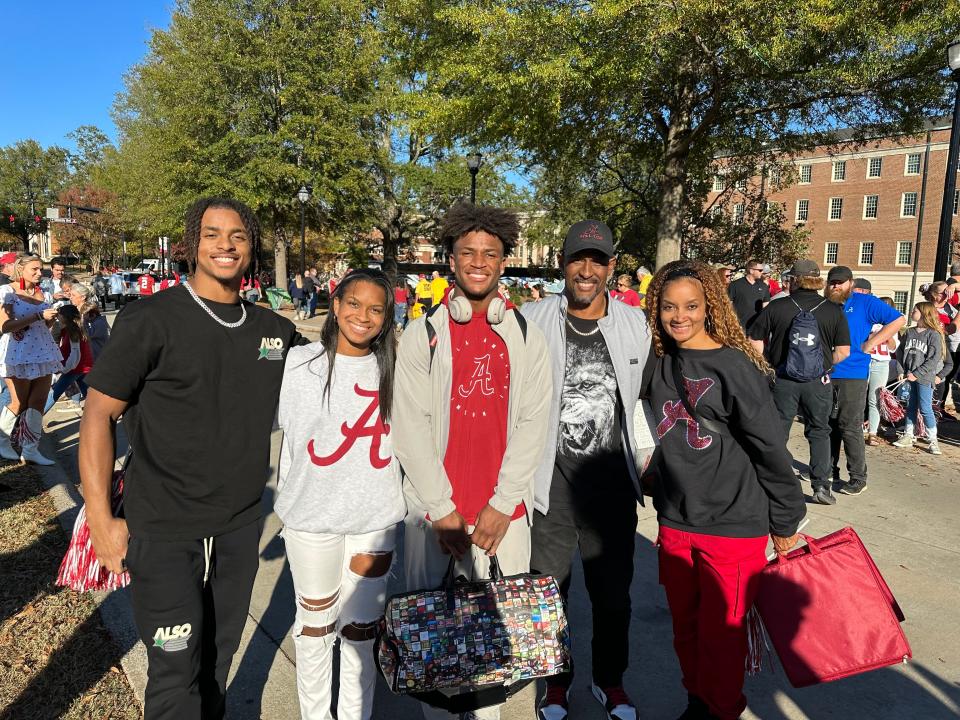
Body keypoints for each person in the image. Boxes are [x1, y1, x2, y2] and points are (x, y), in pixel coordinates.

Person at [79, 197, 304, 719]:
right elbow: (96, 415)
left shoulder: (273, 331)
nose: (225, 244)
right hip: (162, 524)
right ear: (191, 244)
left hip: (240, 523)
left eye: (238, 236)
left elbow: (337, 377)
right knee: (175, 669)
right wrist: (100, 519)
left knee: (218, 662)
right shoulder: (149, 320)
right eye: (212, 234)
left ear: (251, 249)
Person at [392, 203, 552, 720]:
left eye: (490, 253)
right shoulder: (423, 334)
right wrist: (441, 508)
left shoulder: (527, 335)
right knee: (434, 655)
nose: (479, 261)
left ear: (504, 261)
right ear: (452, 260)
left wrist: (503, 504)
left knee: (491, 661)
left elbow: (533, 423)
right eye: (468, 252)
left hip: (503, 519)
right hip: (434, 517)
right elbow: (409, 426)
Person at [647, 260, 805, 720]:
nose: (680, 316)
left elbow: (769, 449)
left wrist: (785, 518)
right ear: (656, 310)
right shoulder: (659, 362)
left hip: (734, 525)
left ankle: (721, 710)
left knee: (722, 635)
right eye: (670, 307)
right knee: (686, 631)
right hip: (676, 520)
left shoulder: (733, 365)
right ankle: (697, 703)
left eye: (691, 306)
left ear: (709, 307)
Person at [521, 219, 651, 720]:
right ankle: (555, 685)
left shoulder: (635, 325)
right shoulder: (530, 317)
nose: (587, 269)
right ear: (563, 262)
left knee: (612, 596)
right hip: (549, 482)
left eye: (598, 260)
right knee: (547, 594)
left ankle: (610, 681)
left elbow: (658, 395)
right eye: (579, 258)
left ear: (612, 267)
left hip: (611, 484)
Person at [276, 269, 403, 720]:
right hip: (309, 521)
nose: (362, 316)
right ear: (335, 303)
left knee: (361, 634)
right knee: (314, 629)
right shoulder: (295, 366)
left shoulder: (400, 370)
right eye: (353, 304)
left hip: (375, 523)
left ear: (387, 318)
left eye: (375, 309)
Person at [748, 260, 851, 505]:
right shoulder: (833, 309)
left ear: (794, 279)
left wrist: (768, 364)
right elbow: (844, 351)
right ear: (817, 281)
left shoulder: (777, 306)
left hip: (783, 379)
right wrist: (825, 364)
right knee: (819, 431)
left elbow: (754, 340)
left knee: (777, 431)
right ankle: (821, 486)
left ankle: (772, 482)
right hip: (818, 382)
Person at [825, 266, 905, 495]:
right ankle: (830, 470)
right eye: (832, 282)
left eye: (840, 282)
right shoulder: (827, 303)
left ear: (850, 283)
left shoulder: (865, 302)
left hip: (853, 373)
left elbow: (898, 319)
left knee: (849, 425)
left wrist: (871, 344)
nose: (836, 286)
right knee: (828, 424)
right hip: (827, 373)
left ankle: (858, 477)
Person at [0, 254, 63, 464]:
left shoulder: (41, 292)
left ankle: (30, 449)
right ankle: (3, 442)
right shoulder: (7, 292)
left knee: (38, 401)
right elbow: (5, 326)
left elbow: (42, 327)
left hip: (42, 350)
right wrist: (37, 316)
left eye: (40, 269)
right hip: (18, 353)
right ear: (21, 270)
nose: (39, 273)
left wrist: (50, 320)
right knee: (19, 402)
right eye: (34, 269)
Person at [893, 302, 952, 455]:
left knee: (925, 408)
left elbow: (933, 359)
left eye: (915, 310)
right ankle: (908, 435)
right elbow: (900, 352)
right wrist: (901, 369)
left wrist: (917, 373)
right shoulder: (909, 332)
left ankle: (933, 440)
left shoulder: (933, 334)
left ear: (924, 313)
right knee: (910, 406)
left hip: (924, 378)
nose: (912, 311)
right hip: (909, 376)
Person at [44, 305, 93, 413]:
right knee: (88, 394)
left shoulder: (73, 331)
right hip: (82, 367)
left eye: (59, 315)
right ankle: (96, 413)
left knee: (55, 393)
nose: (57, 317)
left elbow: (75, 353)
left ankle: (34, 421)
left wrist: (66, 369)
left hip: (74, 368)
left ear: (65, 317)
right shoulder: (73, 328)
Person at [865, 296, 900, 446]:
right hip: (866, 360)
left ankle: (873, 431)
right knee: (859, 395)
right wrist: (875, 335)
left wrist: (888, 334)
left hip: (881, 363)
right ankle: (856, 427)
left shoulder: (893, 325)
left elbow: (893, 347)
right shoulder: (868, 321)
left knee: (876, 397)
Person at [70, 283, 110, 360]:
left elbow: (88, 335)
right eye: (70, 295)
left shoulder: (90, 313)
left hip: (94, 355)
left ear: (83, 297)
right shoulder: (75, 312)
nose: (70, 297)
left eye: (73, 295)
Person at [727, 258, 770, 330]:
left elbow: (766, 307)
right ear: (751, 270)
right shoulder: (735, 285)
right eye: (760, 270)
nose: (762, 272)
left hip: (756, 328)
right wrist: (732, 323)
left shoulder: (764, 286)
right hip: (738, 328)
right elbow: (728, 305)